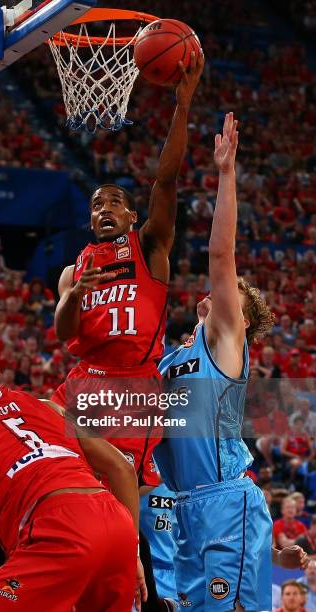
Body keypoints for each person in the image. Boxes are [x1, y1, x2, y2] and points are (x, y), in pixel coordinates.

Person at [52, 53, 204, 487]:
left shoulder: (149, 247)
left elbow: (167, 181)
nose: (105, 209)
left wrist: (183, 106)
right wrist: (75, 294)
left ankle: (132, 556)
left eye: (115, 202)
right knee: (53, 479)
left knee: (120, 499)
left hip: (132, 386)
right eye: (97, 204)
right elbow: (64, 334)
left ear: (132, 216)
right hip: (84, 383)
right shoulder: (74, 269)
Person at [0, 315, 144, 611]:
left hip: (57, 528)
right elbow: (122, 469)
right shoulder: (48, 406)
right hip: (115, 524)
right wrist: (132, 553)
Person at [154, 114, 276, 611]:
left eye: (232, 301)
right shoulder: (172, 356)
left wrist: (226, 176)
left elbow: (221, 260)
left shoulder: (225, 343)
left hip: (226, 502)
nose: (220, 297)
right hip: (181, 507)